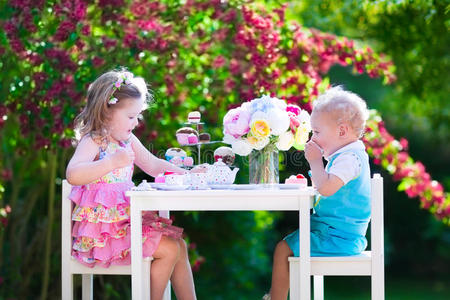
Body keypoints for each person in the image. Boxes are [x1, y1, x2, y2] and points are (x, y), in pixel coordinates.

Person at [66, 68, 197, 299]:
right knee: (169, 249)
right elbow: (73, 174)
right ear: (107, 113)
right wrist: (112, 163)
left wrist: (190, 173)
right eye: (130, 116)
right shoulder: (94, 140)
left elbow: (154, 165)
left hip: (125, 225)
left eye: (137, 116)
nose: (136, 122)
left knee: (180, 246)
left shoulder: (128, 141)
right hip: (102, 236)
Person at [264, 86, 371, 300]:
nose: (314, 138)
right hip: (333, 232)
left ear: (341, 131)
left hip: (339, 238)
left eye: (317, 132)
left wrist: (314, 161)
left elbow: (327, 188)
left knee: (283, 249)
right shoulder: (346, 156)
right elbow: (326, 187)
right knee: (285, 246)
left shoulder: (350, 159)